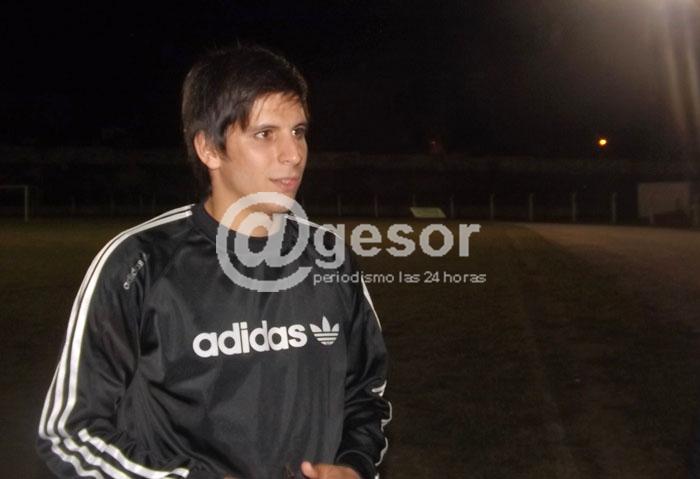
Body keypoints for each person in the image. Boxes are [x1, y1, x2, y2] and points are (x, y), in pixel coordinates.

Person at [37, 44, 390, 479]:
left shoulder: (330, 258)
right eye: (265, 134)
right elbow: (71, 433)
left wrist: (354, 466)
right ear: (209, 149)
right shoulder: (139, 264)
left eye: (298, 131)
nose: (294, 154)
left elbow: (366, 393)